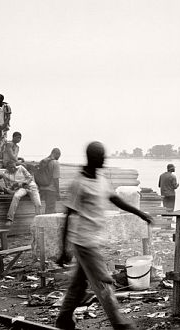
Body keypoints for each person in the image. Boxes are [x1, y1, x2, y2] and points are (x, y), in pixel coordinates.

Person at [56, 141, 152, 330]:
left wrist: (139, 213)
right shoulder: (79, 183)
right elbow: (68, 215)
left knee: (78, 286)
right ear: (92, 158)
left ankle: (64, 319)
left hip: (93, 240)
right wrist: (63, 249)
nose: (103, 160)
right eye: (101, 157)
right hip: (84, 242)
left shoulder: (101, 179)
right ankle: (120, 323)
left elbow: (116, 200)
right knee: (104, 282)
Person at [36, 148, 61, 213]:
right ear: (56, 154)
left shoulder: (43, 161)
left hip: (42, 188)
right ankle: (47, 223)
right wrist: (58, 192)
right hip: (51, 190)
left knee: (49, 208)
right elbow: (56, 179)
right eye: (59, 156)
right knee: (50, 210)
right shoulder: (55, 162)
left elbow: (38, 174)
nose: (58, 158)